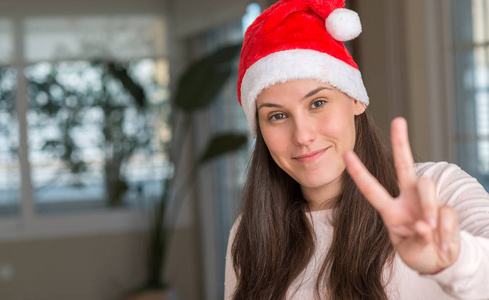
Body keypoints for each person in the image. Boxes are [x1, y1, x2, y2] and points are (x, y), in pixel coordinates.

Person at [225, 0, 489, 299]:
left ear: (356, 99)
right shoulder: (249, 233)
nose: (303, 135)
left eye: (318, 103)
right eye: (277, 116)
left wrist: (454, 262)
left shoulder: (440, 189)